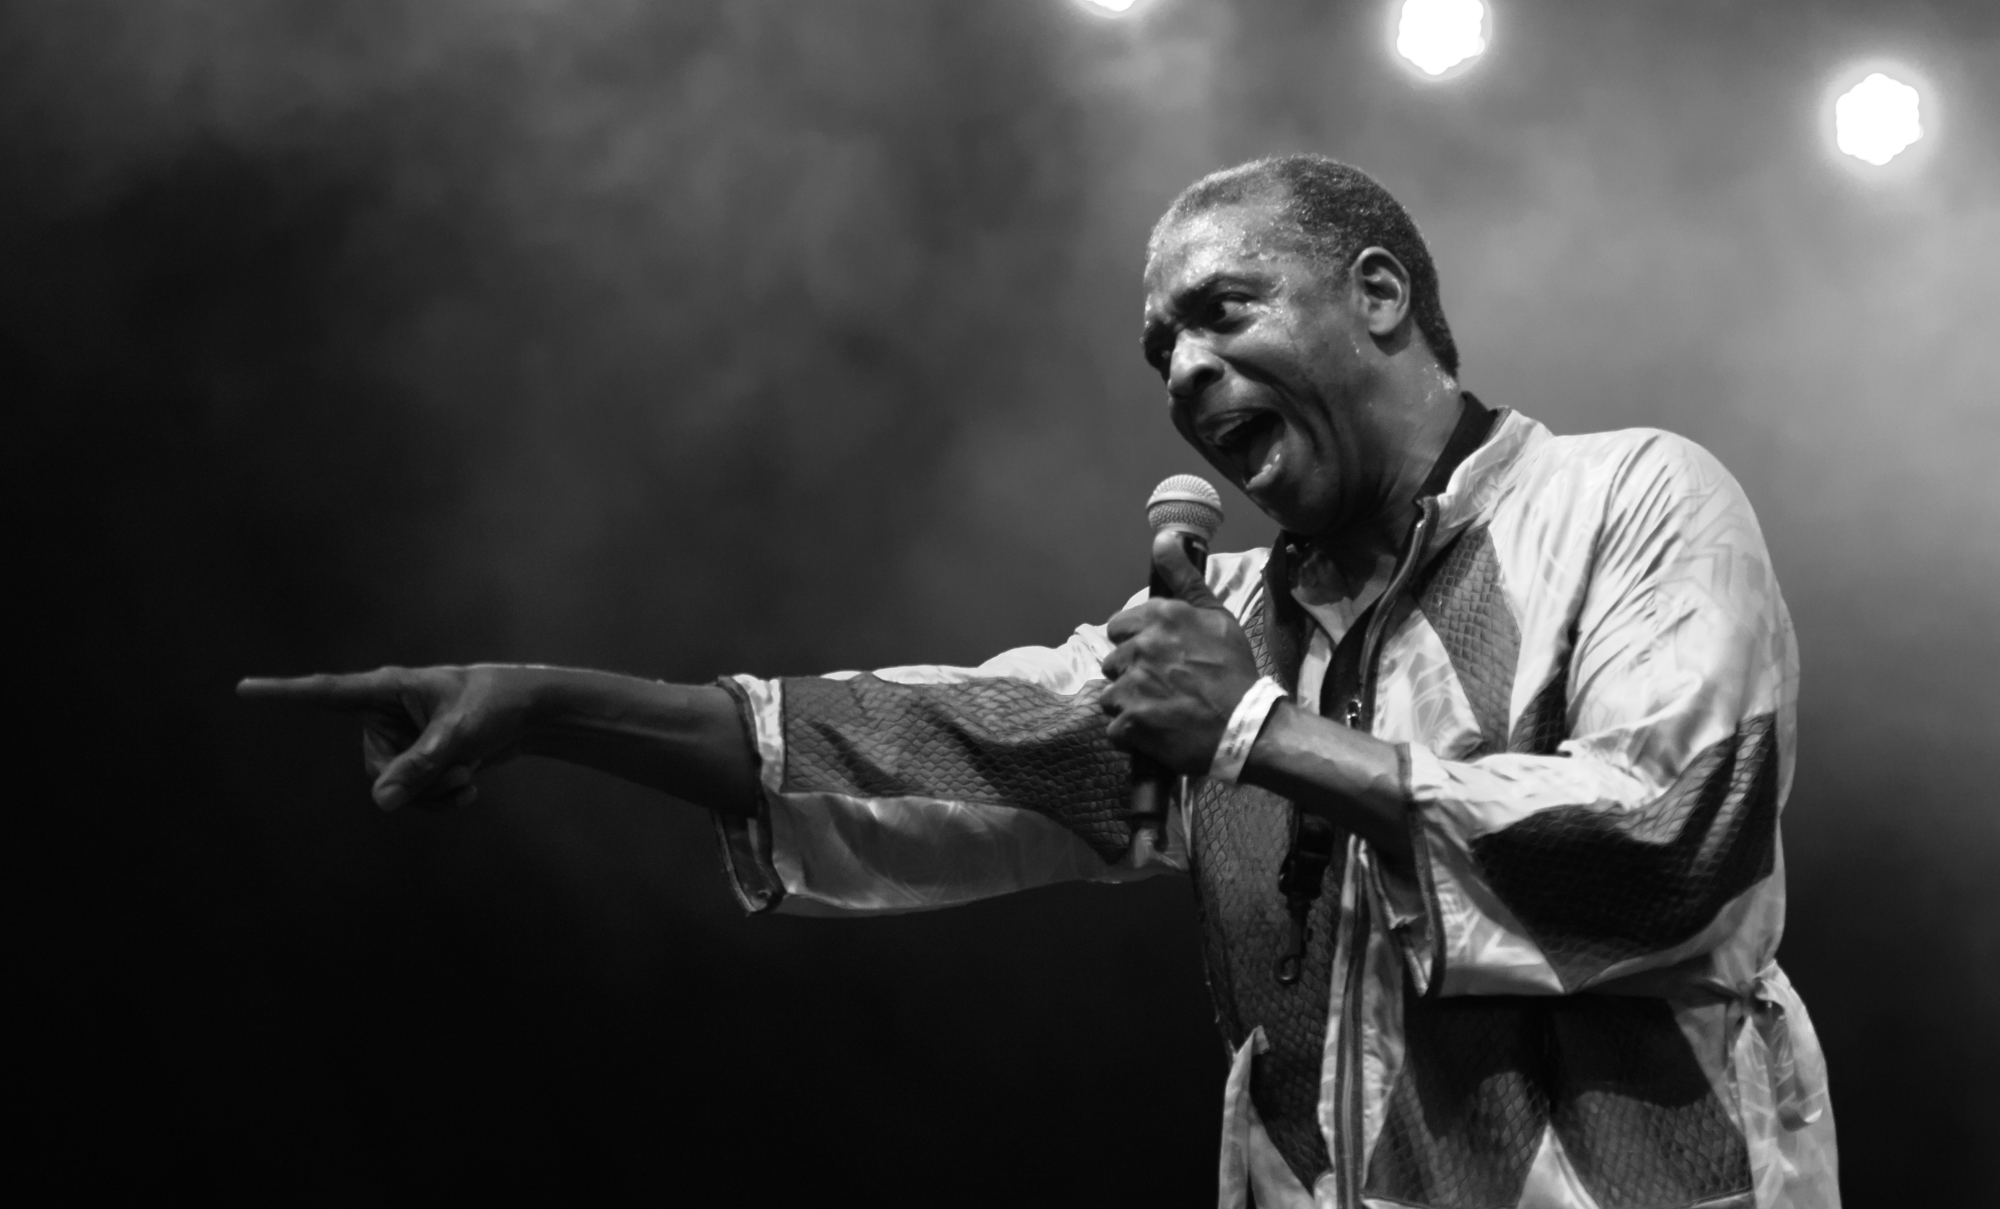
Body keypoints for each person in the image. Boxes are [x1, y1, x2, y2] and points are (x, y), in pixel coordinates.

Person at [243, 155, 1838, 1209]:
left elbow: (1675, 841)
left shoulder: (1630, 499)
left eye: (1221, 313)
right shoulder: (1211, 634)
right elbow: (908, 742)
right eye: (1160, 355)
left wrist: (1261, 733)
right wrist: (545, 702)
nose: (1188, 375)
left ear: (1378, 295)